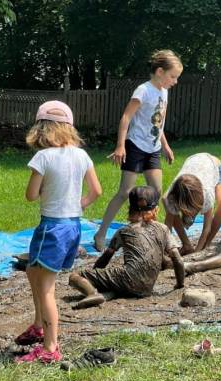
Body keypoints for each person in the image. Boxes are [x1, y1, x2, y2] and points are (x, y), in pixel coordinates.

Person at [15, 101, 102, 363]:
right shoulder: (81, 155)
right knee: (32, 269)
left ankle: (50, 348)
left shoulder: (43, 157)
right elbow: (96, 192)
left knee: (47, 289)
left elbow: (31, 195)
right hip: (73, 227)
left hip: (51, 229)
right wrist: (77, 205)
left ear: (41, 128)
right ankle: (39, 325)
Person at [93, 49, 183, 251]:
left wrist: (166, 146)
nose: (175, 81)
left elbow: (158, 123)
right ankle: (100, 234)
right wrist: (120, 145)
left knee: (158, 192)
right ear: (160, 71)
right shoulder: (143, 91)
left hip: (153, 149)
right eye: (173, 76)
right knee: (125, 192)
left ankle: (152, 233)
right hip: (135, 146)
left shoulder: (164, 92)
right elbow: (126, 117)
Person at [69, 186, 184, 308]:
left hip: (128, 279)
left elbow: (106, 258)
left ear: (130, 209)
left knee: (74, 276)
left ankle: (92, 294)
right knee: (123, 279)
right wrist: (180, 284)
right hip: (147, 288)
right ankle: (111, 292)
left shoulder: (123, 231)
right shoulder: (163, 229)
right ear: (155, 209)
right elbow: (178, 259)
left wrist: (95, 276)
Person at [162, 153, 221, 255]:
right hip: (193, 164)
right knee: (171, 209)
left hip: (214, 166)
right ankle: (187, 245)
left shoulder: (206, 193)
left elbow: (206, 228)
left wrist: (196, 254)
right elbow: (167, 228)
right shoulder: (172, 196)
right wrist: (168, 251)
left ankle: (206, 245)